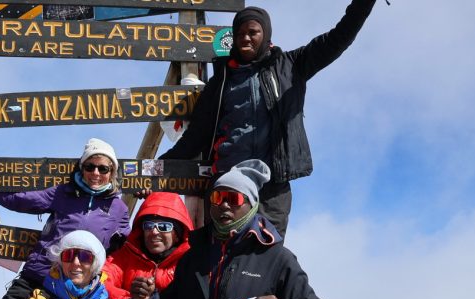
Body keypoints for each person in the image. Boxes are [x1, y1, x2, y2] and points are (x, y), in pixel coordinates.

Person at [159, 1, 378, 236]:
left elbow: (339, 37)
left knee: (265, 257)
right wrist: (153, 173)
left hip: (271, 187)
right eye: (240, 34)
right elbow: (196, 137)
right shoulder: (221, 82)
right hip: (226, 185)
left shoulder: (291, 66)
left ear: (265, 34)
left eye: (253, 32)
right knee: (221, 260)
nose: (245, 39)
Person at [139, 159, 324, 299]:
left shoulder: (276, 257)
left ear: (251, 204)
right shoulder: (193, 256)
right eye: (217, 197)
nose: (224, 205)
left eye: (233, 198)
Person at [0, 139, 132, 299]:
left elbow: (127, 245)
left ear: (112, 172)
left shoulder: (118, 208)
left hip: (80, 286)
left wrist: (149, 198)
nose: (96, 173)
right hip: (40, 273)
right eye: (90, 166)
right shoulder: (63, 193)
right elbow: (22, 199)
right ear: (82, 168)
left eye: (103, 168)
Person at [103, 192, 193, 299]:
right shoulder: (124, 257)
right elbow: (100, 280)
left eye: (164, 226)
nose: (154, 232)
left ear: (177, 234)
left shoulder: (191, 261)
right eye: (149, 225)